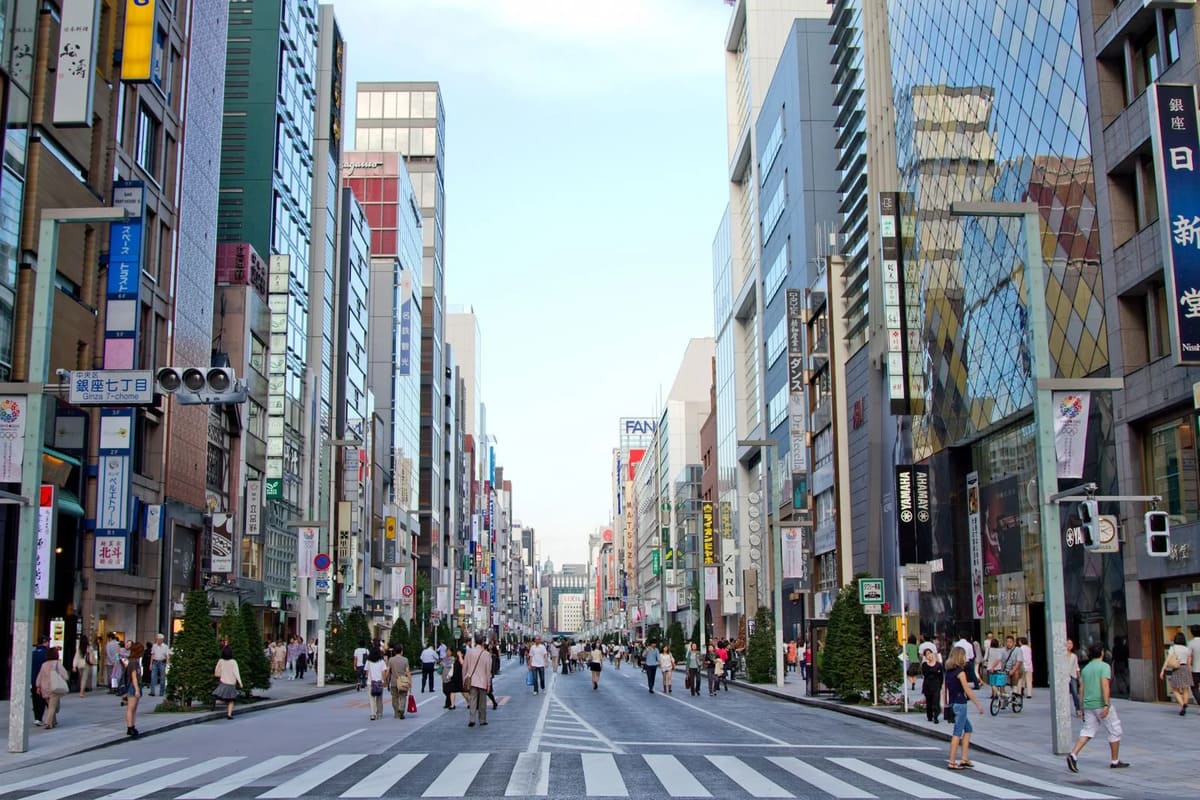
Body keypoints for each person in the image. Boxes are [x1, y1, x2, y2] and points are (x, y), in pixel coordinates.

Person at [1067, 641, 1129, 772]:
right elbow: (1105, 686)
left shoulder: (1086, 669)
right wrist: (1106, 704)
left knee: (1088, 731)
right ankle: (1115, 760)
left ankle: (1073, 754)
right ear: (1101, 653)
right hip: (1101, 704)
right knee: (1115, 730)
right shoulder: (1104, 667)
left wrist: (1081, 707)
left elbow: (1081, 689)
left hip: (1088, 705)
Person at [943, 646, 983, 770]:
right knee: (957, 732)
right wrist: (978, 705)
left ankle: (964, 758)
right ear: (960, 657)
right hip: (961, 704)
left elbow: (944, 690)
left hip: (953, 703)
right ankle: (952, 761)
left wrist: (946, 704)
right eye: (964, 656)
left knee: (968, 729)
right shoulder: (960, 672)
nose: (966, 658)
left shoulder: (949, 672)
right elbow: (967, 690)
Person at [35, 647, 69, 729]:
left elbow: (40, 676)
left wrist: (38, 686)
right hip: (54, 687)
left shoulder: (44, 664)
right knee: (53, 707)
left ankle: (53, 721)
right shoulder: (57, 664)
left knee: (50, 705)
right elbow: (65, 675)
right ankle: (48, 723)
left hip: (44, 688)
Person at [1161, 631, 1193, 716]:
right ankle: (1185, 703)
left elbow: (1168, 660)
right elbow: (1189, 662)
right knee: (1186, 688)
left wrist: (1163, 669)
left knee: (1175, 689)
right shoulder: (1187, 649)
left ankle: (1182, 705)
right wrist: (1189, 670)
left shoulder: (1173, 648)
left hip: (1176, 669)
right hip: (1185, 668)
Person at [463, 636, 492, 728]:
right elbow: (488, 670)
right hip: (483, 681)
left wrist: (464, 678)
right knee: (482, 701)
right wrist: (489, 683)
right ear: (483, 642)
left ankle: (472, 719)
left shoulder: (469, 652)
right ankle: (482, 720)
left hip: (472, 680)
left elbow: (465, 667)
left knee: (473, 700)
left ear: (475, 642)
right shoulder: (486, 654)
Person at [212, 645, 242, 722]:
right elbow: (236, 673)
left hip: (223, 682)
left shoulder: (221, 661)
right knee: (231, 700)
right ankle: (229, 714)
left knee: (220, 695)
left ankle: (216, 702)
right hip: (231, 683)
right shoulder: (233, 662)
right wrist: (240, 682)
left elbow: (216, 671)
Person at [124, 642, 144, 736]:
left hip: (136, 685)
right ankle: (130, 727)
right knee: (131, 708)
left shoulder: (134, 661)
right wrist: (136, 689)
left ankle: (132, 725)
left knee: (134, 708)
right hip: (133, 686)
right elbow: (134, 677)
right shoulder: (133, 662)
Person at [920, 646, 944, 723]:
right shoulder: (924, 665)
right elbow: (925, 673)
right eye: (927, 654)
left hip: (936, 685)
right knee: (929, 701)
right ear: (925, 657)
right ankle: (929, 716)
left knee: (936, 701)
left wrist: (941, 685)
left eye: (930, 653)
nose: (929, 655)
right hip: (927, 685)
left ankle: (936, 716)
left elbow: (941, 676)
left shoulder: (939, 665)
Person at [387, 645, 411, 719]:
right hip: (403, 681)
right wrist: (410, 681)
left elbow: (388, 671)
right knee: (403, 696)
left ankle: (396, 713)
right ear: (401, 651)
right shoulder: (405, 659)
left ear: (394, 651)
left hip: (394, 682)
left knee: (395, 698)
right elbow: (407, 671)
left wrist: (385, 679)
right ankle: (401, 710)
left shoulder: (391, 660)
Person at [364, 647, 387, 720]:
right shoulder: (381, 661)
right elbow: (383, 672)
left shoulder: (368, 661)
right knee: (379, 698)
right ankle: (379, 713)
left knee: (371, 699)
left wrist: (368, 676)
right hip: (379, 682)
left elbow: (366, 671)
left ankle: (372, 714)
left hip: (370, 682)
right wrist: (384, 680)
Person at [30, 635, 49, 726]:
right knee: (43, 699)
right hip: (44, 681)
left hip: (34, 680)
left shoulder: (33, 653)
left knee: (35, 699)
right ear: (45, 642)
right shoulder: (47, 653)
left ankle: (37, 717)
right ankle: (46, 717)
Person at [1064, 639, 1082, 718]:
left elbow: (1077, 667)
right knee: (1064, 693)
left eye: (1071, 643)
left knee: (1075, 692)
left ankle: (1078, 709)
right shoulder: (1062, 655)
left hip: (1072, 675)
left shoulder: (1074, 656)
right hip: (1064, 676)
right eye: (1068, 643)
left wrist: (1079, 677)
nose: (1070, 645)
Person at [1189, 625, 1200, 707]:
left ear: (1192, 633)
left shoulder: (1191, 643)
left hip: (1195, 669)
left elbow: (1188, 657)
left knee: (1194, 687)